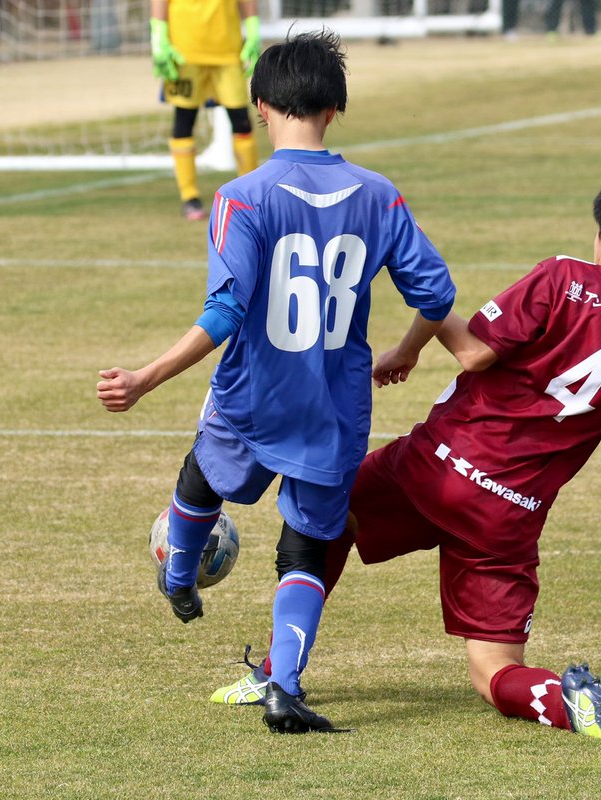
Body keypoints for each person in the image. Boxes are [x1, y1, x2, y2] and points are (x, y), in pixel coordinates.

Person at [211, 164, 601, 740]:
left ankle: (277, 672)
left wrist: (418, 322)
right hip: (509, 516)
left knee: (327, 518)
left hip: (436, 469)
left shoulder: (563, 278)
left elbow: (474, 354)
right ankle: (564, 701)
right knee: (494, 673)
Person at [97, 32, 457, 734]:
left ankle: (178, 580)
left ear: (261, 108)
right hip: (334, 405)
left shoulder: (242, 198)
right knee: (304, 547)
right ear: (337, 109)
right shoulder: (380, 197)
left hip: (254, 397)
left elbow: (226, 311)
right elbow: (437, 296)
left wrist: (145, 378)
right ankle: (284, 683)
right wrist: (406, 351)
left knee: (201, 476)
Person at [150, 0, 263, 220]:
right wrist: (158, 35)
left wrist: (252, 28)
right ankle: (189, 197)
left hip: (228, 52)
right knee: (184, 120)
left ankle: (250, 194)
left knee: (242, 122)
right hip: (184, 53)